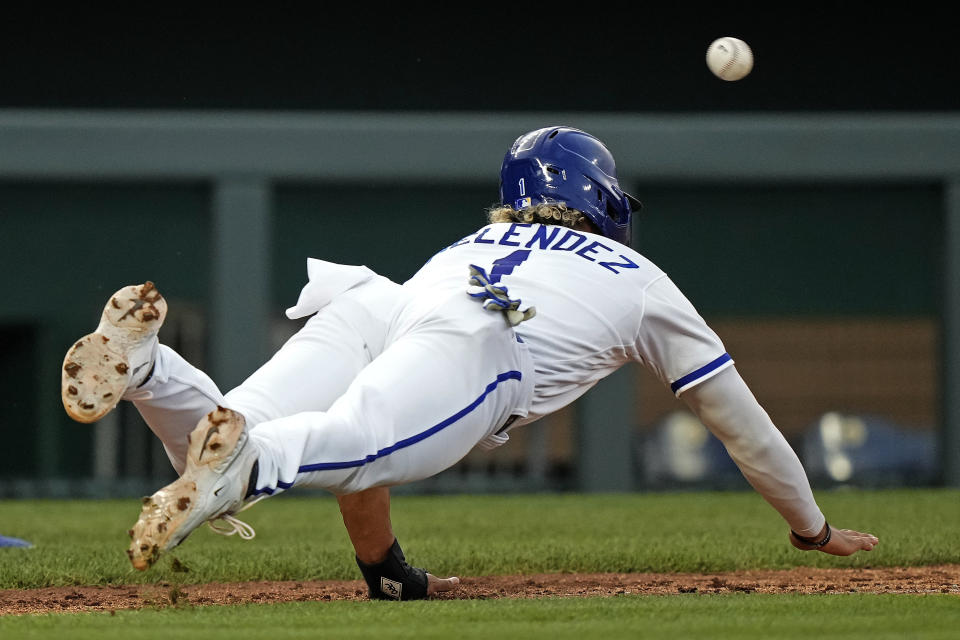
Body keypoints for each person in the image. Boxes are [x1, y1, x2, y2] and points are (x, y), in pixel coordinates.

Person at [61, 125, 878, 600]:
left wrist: (387, 573)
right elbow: (743, 427)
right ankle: (248, 465)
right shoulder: (639, 281)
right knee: (319, 441)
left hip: (384, 305)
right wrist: (812, 528)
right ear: (600, 196)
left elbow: (366, 464)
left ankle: (150, 370)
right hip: (485, 339)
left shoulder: (479, 236)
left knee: (251, 421)